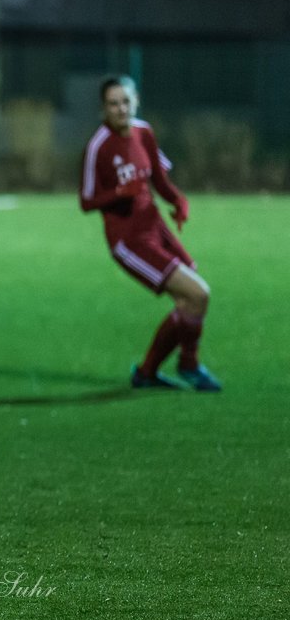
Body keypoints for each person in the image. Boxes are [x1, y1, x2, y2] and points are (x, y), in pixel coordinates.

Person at [79, 75, 221, 391]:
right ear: (103, 109)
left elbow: (158, 179)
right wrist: (119, 191)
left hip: (155, 226)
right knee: (198, 293)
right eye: (113, 104)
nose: (120, 109)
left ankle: (151, 373)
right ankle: (186, 364)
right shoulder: (98, 146)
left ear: (136, 101)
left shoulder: (144, 132)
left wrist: (177, 200)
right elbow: (87, 201)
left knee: (192, 299)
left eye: (125, 101)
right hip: (128, 240)